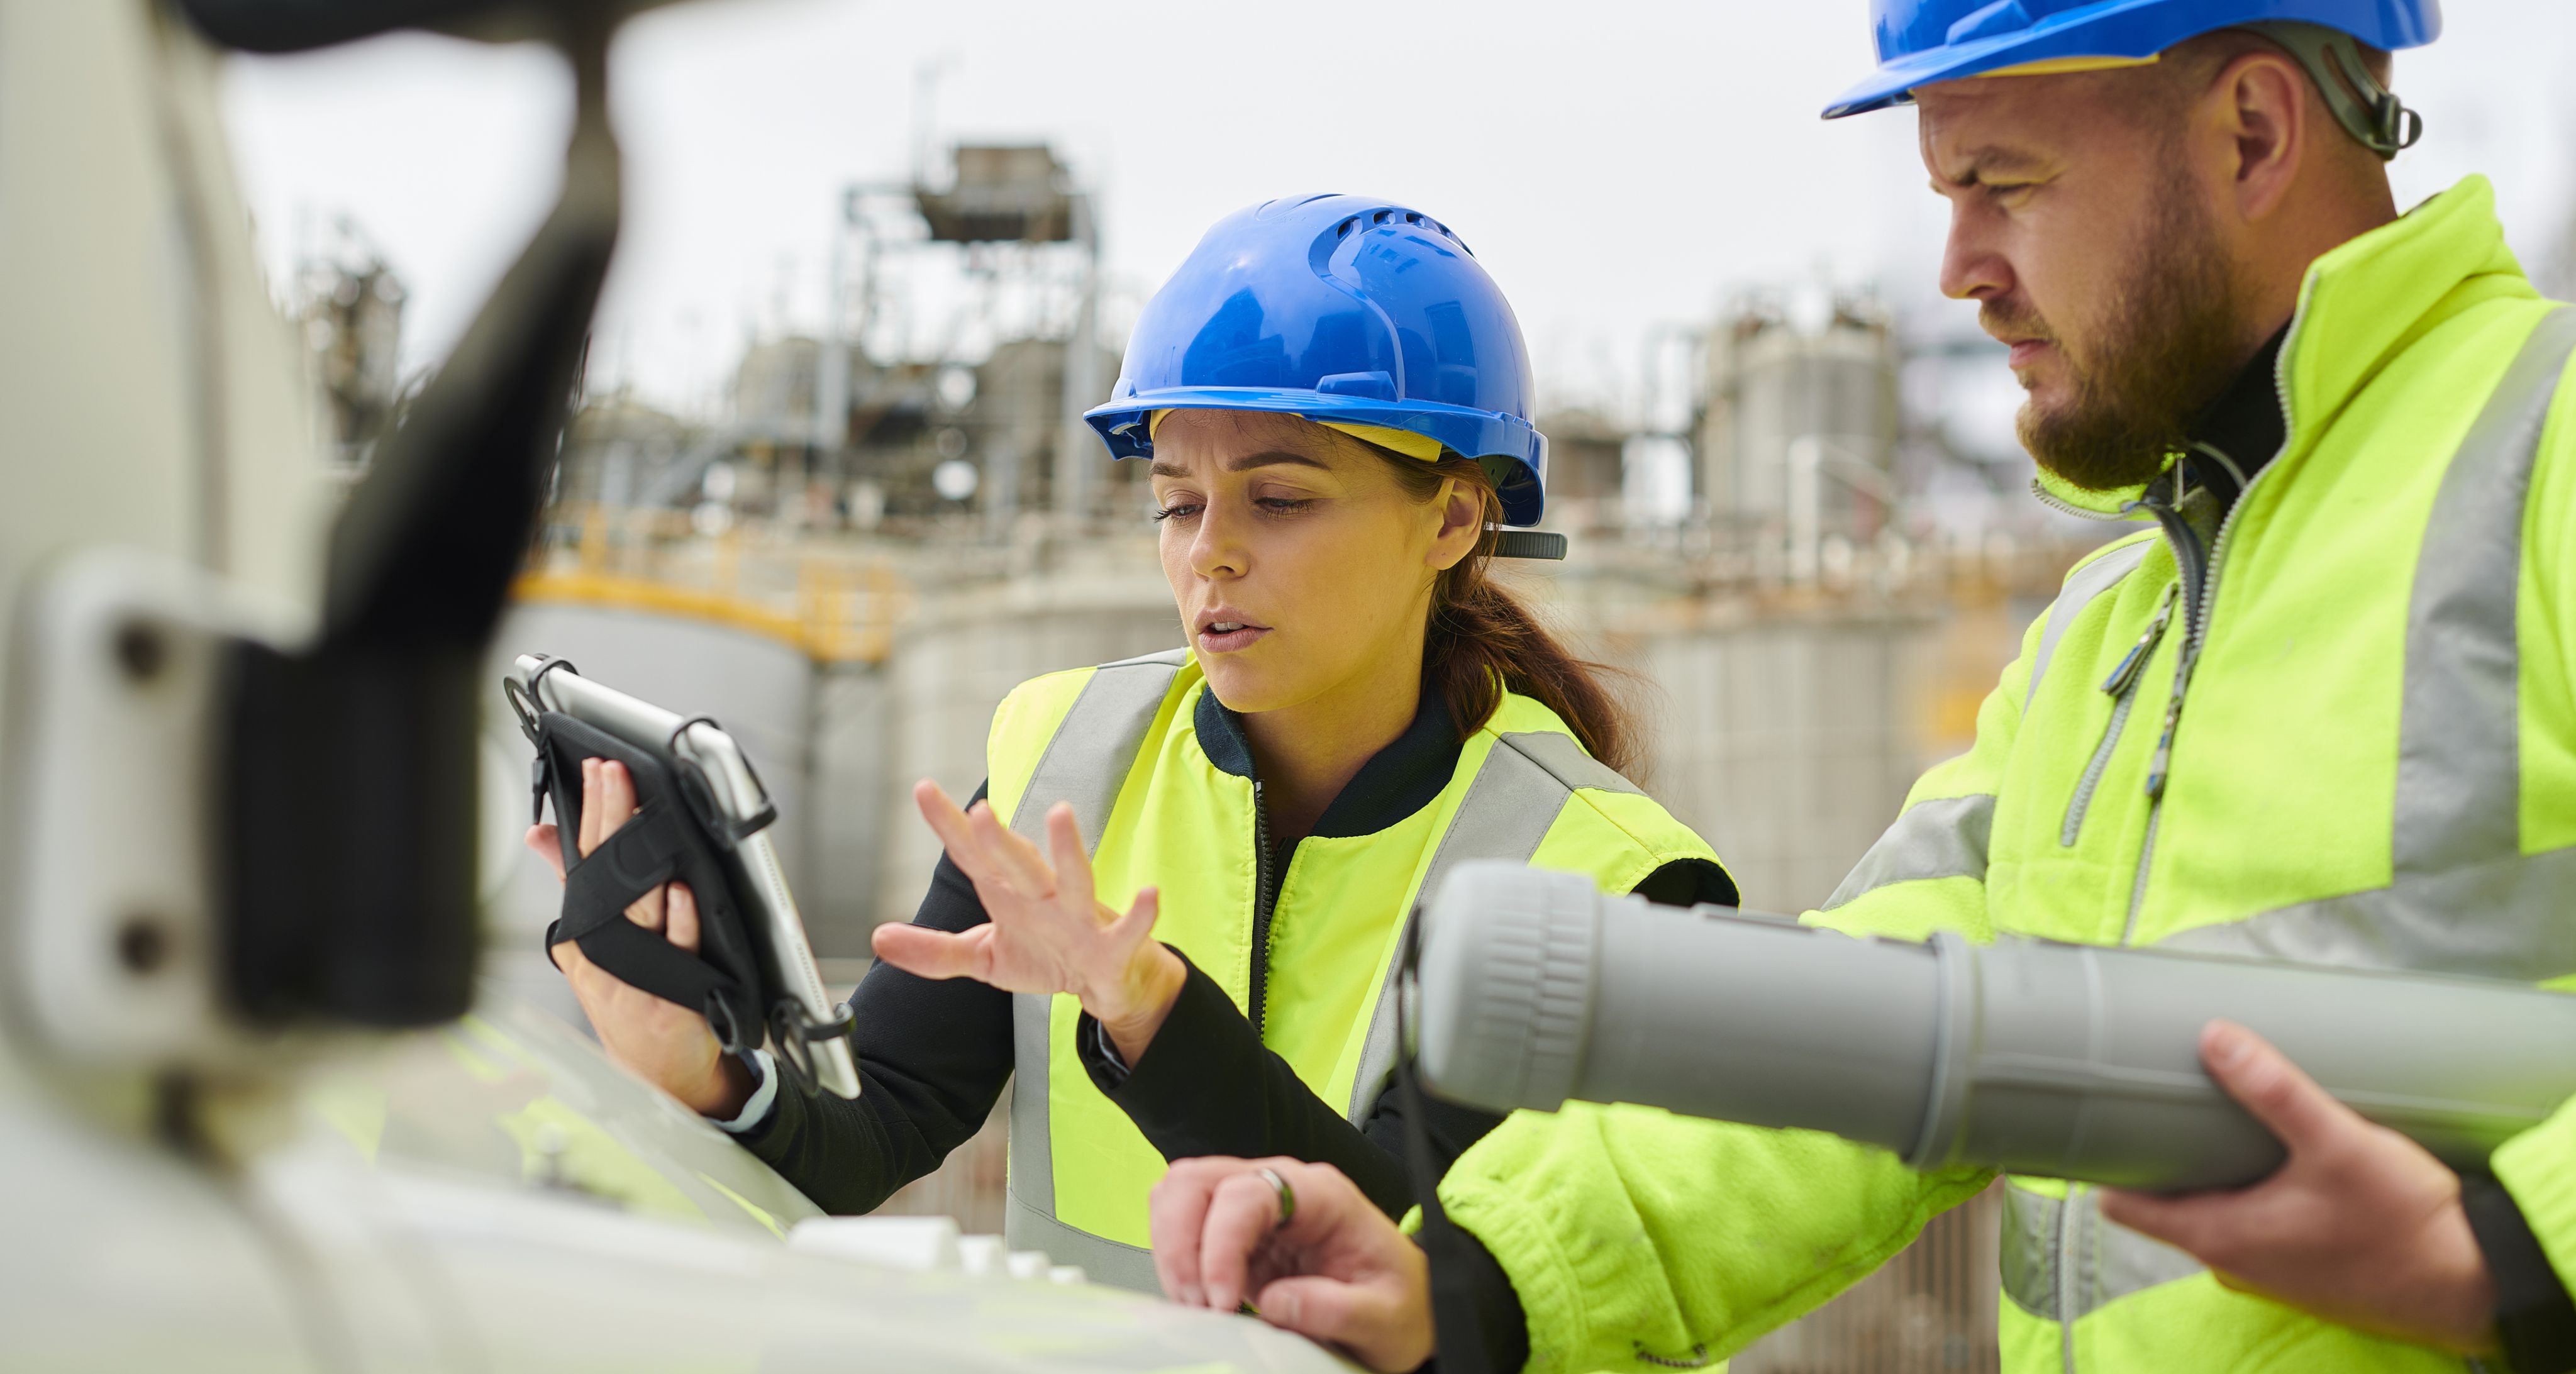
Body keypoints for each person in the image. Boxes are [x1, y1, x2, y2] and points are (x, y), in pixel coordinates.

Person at [1149, 3, 2576, 1370]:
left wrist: (2511, 1256)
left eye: (2002, 183)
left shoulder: (2543, 457)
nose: (1958, 268)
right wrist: (1474, 1272)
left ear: (2252, 132)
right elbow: (1869, 1035)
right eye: (1945, 196)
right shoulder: (2109, 631)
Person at [526, 193, 1736, 1292]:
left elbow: (1431, 1279)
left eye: (1279, 498)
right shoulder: (1065, 751)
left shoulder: (1607, 880)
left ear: (1456, 517)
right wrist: (702, 1070)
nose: (1210, 552)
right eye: (1175, 501)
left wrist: (1153, 1012)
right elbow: (872, 1125)